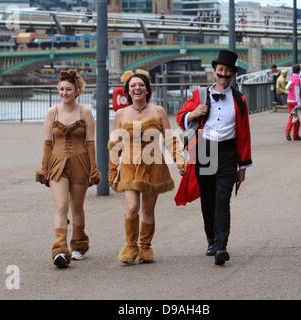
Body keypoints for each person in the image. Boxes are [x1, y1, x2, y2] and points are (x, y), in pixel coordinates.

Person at [175, 50, 252, 266]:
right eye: (220, 71)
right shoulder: (200, 95)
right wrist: (193, 114)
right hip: (205, 151)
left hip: (228, 153)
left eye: (227, 72)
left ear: (233, 74)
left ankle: (221, 245)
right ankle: (211, 239)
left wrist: (243, 165)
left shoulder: (240, 100)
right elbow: (181, 117)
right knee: (208, 198)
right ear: (214, 72)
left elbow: (244, 133)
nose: (223, 75)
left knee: (222, 199)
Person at [108, 69, 186, 265]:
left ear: (147, 89)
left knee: (148, 211)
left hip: (153, 167)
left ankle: (145, 246)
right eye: (133, 85)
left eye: (141, 85)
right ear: (127, 90)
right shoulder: (120, 114)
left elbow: (169, 139)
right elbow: (115, 144)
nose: (137, 88)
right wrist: (112, 170)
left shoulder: (158, 111)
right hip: (129, 166)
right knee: (132, 207)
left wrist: (179, 160)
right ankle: (130, 246)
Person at [35, 70, 101, 269]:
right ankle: (60, 249)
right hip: (57, 164)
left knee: (77, 206)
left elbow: (91, 144)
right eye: (61, 89)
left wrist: (93, 169)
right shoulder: (52, 112)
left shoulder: (85, 112)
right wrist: (44, 167)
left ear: (77, 91)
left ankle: (79, 243)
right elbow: (48, 143)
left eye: (68, 90)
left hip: (80, 163)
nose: (64, 93)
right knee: (61, 206)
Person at [286, 64, 301, 141]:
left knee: (292, 116)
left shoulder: (291, 78)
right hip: (295, 102)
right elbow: (297, 92)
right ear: (299, 71)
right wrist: (299, 103)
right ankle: (295, 135)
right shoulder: (297, 79)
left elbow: (286, 87)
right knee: (297, 118)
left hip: (289, 100)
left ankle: (288, 131)